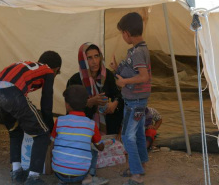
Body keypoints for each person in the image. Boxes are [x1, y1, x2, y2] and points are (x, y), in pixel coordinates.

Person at [0, 51, 62, 185]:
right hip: (11, 93)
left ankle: (16, 171)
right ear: (56, 69)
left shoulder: (28, 65)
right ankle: (33, 178)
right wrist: (49, 128)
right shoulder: (49, 70)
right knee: (42, 134)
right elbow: (46, 104)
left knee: (15, 131)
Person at [110, 12, 152, 185]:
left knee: (128, 137)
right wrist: (115, 70)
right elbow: (132, 73)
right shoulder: (137, 50)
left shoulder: (138, 52)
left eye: (122, 33)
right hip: (135, 101)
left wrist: (124, 81)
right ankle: (140, 165)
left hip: (135, 102)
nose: (122, 36)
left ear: (127, 33)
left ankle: (137, 175)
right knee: (139, 135)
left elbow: (144, 76)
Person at [50, 85, 109, 185]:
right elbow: (101, 147)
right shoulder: (91, 124)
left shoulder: (59, 121)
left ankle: (63, 180)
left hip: (58, 172)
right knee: (93, 148)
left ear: (66, 105)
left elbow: (52, 143)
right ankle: (90, 177)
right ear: (86, 103)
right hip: (80, 174)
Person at [67, 42, 123, 135]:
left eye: (96, 56)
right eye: (89, 58)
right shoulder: (75, 80)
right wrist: (90, 102)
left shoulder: (107, 75)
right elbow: (70, 109)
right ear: (83, 60)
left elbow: (118, 94)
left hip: (106, 121)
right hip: (83, 124)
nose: (94, 61)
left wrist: (114, 103)